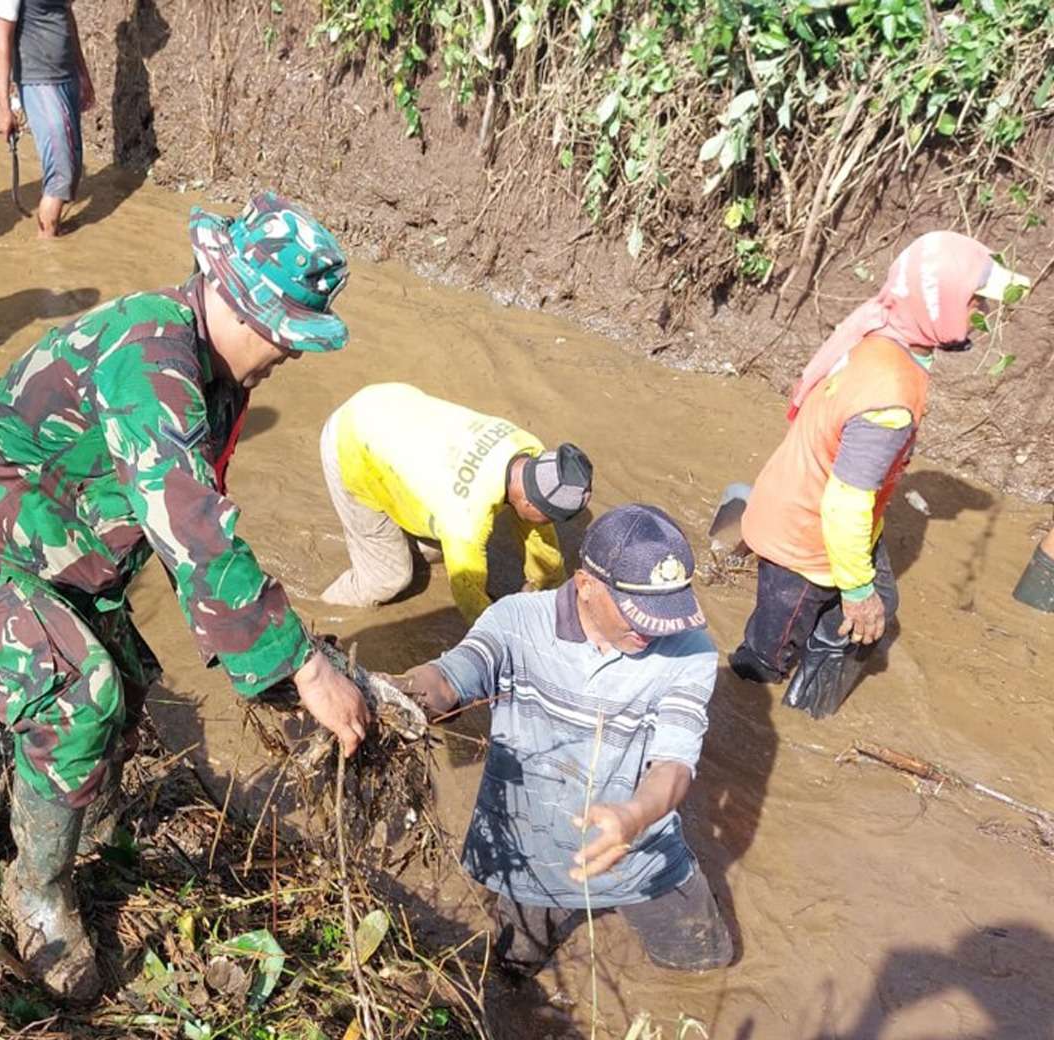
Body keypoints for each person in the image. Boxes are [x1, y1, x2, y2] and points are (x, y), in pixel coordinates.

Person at [0, 192, 370, 1000]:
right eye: (284, 335)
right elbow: (189, 521)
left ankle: (85, 814)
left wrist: (268, 660)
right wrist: (302, 663)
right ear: (235, 300)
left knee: (130, 678)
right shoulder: (149, 356)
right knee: (81, 697)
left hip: (59, 540)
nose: (288, 354)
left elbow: (191, 524)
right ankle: (38, 888)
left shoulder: (216, 373)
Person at [395, 504, 732, 975]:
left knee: (706, 964)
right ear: (586, 584)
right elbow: (452, 677)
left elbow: (674, 762)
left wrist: (633, 817)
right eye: (640, 614)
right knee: (511, 976)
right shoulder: (515, 620)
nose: (654, 631)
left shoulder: (690, 650)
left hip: (640, 849)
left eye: (666, 613)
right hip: (529, 851)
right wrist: (390, 697)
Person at [729, 232, 1029, 718]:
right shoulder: (888, 399)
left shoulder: (881, 325)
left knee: (876, 605)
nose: (986, 314)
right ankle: (777, 711)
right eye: (976, 301)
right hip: (806, 539)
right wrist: (857, 592)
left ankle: (799, 693)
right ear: (941, 305)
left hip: (795, 497)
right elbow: (845, 507)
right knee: (774, 649)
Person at [320, 383, 593, 623]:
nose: (551, 526)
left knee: (440, 547)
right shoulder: (465, 518)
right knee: (389, 578)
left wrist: (553, 593)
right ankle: (316, 614)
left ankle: (398, 542)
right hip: (352, 441)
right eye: (552, 518)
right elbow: (470, 598)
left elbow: (538, 539)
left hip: (389, 403)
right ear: (530, 505)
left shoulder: (528, 450)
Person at [0, 0, 94, 237]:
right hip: (39, 80)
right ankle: (46, 248)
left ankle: (53, 230)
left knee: (73, 167)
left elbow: (67, 16)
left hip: (67, 76)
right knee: (61, 172)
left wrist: (83, 74)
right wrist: (4, 107)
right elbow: (2, 45)